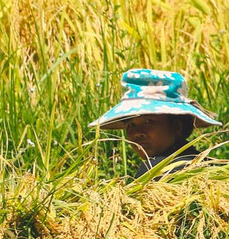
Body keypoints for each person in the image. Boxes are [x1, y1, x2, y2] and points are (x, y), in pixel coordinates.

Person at [89, 68, 221, 175]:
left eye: (148, 122)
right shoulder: (207, 164)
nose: (137, 133)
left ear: (176, 126)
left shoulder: (155, 171)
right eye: (130, 125)